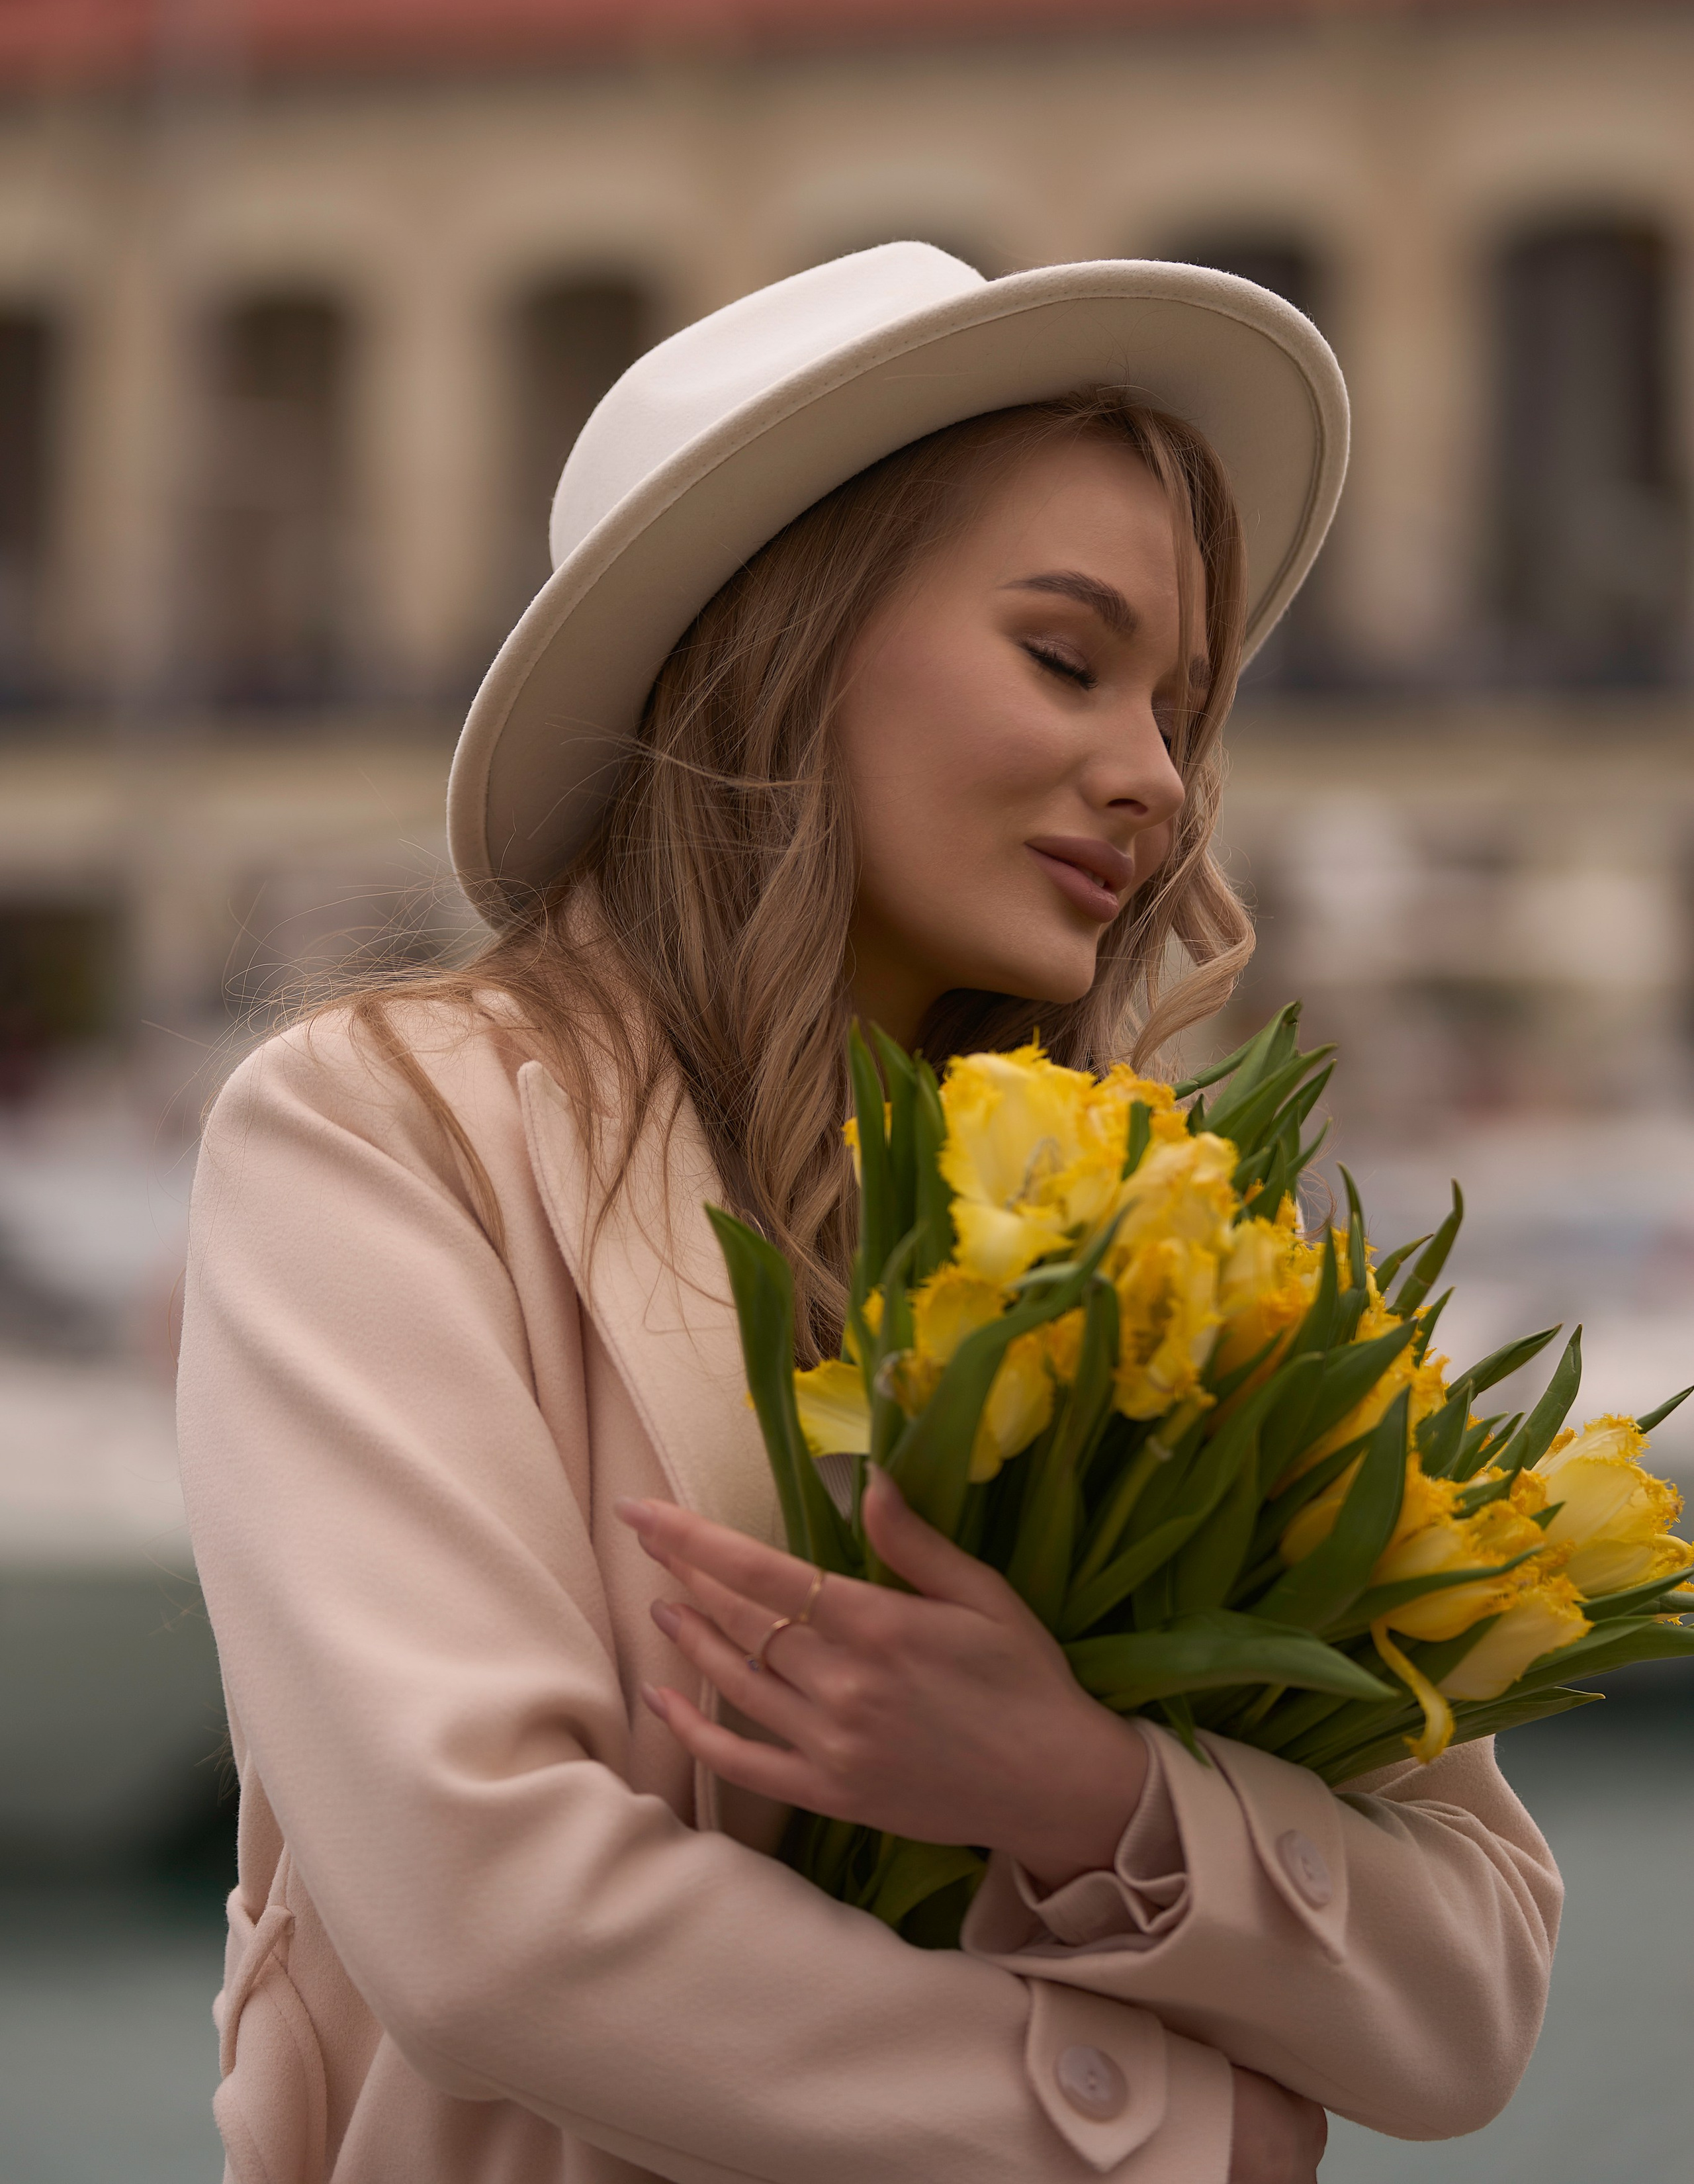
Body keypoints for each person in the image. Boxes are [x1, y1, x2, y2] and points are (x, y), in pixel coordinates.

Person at [177, 245, 1560, 2184]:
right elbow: (481, 1910)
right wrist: (1163, 2138)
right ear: (787, 638)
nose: (1158, 777)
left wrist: (1091, 1796)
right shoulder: (384, 1132)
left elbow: (1480, 1971)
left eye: (1182, 703)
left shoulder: (1185, 1236)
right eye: (1068, 661)